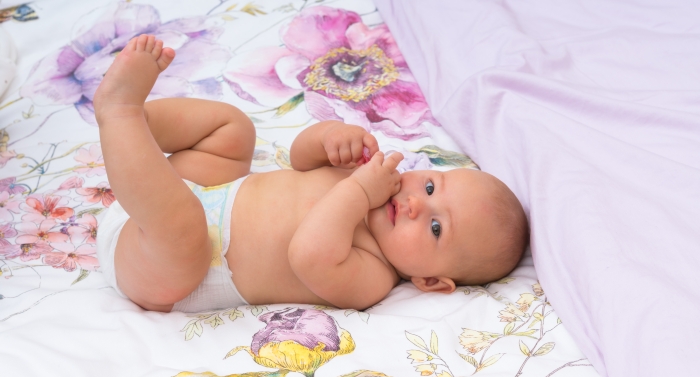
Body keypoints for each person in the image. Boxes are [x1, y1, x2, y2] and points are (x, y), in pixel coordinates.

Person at [94, 34, 529, 313]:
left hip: (161, 267)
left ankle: (120, 115)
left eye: (436, 227)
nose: (416, 204)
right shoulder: (369, 179)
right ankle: (133, 145)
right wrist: (331, 139)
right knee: (232, 131)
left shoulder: (371, 277)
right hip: (192, 191)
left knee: (184, 231)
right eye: (431, 187)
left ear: (429, 280)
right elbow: (300, 160)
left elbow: (309, 254)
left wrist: (359, 190)